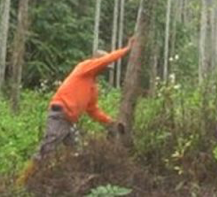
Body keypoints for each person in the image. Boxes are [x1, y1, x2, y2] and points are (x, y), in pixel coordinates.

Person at [18, 37, 135, 184]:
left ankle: (69, 184)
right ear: (97, 63)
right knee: (47, 149)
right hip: (60, 114)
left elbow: (93, 110)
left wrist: (111, 122)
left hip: (69, 121)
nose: (106, 70)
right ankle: (22, 182)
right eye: (105, 67)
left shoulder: (92, 87)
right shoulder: (84, 67)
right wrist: (126, 50)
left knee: (77, 152)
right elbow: (105, 60)